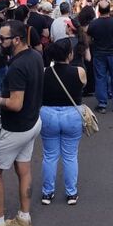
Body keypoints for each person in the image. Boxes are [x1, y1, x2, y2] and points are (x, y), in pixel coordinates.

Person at [0, 20, 44, 226]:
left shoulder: (17, 67)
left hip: (15, 128)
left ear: (16, 40)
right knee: (23, 169)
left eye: (2, 38)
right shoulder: (35, 55)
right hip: (32, 123)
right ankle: (23, 218)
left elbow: (15, 104)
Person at [40, 39, 85, 206]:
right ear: (70, 54)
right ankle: (71, 193)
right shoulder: (79, 71)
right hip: (72, 115)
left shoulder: (44, 72)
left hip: (48, 113)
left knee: (50, 156)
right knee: (70, 155)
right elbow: (83, 86)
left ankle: (47, 192)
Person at [87, 0, 113, 114]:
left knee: (100, 78)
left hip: (99, 54)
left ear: (99, 11)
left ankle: (102, 104)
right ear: (109, 10)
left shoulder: (94, 24)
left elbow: (89, 40)